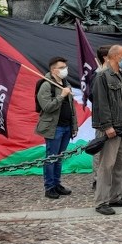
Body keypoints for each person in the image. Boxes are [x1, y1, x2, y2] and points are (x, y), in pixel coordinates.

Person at [90, 44, 122, 215]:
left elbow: (118, 101)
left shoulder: (120, 74)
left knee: (120, 164)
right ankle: (101, 202)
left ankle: (114, 197)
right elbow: (101, 104)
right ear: (114, 57)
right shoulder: (102, 77)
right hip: (111, 129)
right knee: (107, 165)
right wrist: (107, 126)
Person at [35, 57, 78, 199]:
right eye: (62, 67)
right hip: (54, 127)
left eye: (65, 66)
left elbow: (72, 108)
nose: (65, 69)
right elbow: (46, 107)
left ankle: (57, 183)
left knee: (59, 158)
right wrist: (61, 96)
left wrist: (74, 125)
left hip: (66, 127)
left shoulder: (66, 83)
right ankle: (49, 187)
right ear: (54, 70)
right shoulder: (46, 85)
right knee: (51, 157)